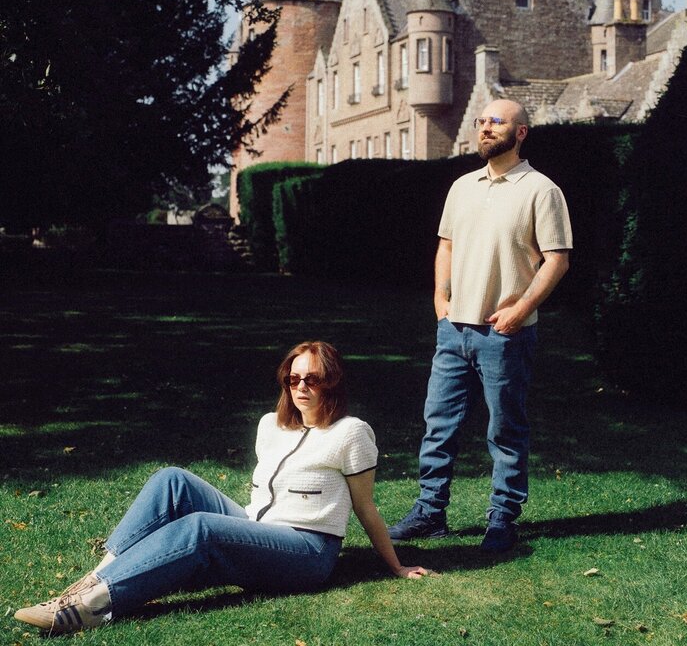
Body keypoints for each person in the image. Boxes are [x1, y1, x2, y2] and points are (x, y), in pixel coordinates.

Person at [15, 341, 427, 635]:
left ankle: (92, 606)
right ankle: (91, 582)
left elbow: (366, 506)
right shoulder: (272, 425)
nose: (301, 387)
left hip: (306, 551)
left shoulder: (351, 433)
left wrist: (396, 566)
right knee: (171, 479)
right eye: (293, 377)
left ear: (332, 383)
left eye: (313, 380)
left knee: (201, 528)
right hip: (257, 526)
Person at [388, 99, 572, 553]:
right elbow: (446, 246)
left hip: (505, 332)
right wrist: (440, 297)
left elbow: (557, 260)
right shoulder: (461, 187)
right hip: (454, 330)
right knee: (438, 425)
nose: (486, 128)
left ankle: (502, 520)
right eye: (482, 121)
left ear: (521, 132)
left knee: (505, 429)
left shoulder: (540, 189)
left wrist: (521, 307)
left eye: (497, 122)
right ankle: (431, 512)